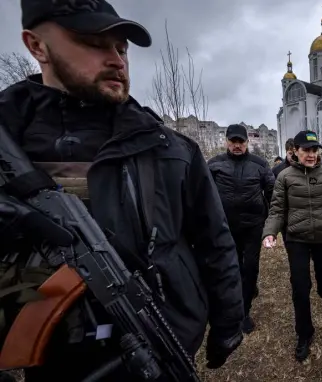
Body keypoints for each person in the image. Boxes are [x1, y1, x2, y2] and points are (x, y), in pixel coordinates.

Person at [0, 1, 244, 380]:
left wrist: (228, 323)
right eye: (93, 42)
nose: (116, 59)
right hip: (58, 359)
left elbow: (215, 241)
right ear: (37, 46)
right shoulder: (10, 145)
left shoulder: (172, 149)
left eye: (122, 48)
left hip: (161, 340)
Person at [261, 130, 322, 362]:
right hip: (297, 239)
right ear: (295, 151)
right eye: (306, 150)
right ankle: (304, 333)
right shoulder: (284, 177)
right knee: (300, 286)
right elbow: (276, 210)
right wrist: (270, 231)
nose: (312, 155)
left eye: (315, 150)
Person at [208, 124, 275, 334]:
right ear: (226, 141)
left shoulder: (260, 164)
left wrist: (273, 220)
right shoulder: (214, 164)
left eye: (241, 142)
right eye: (233, 141)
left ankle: (244, 312)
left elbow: (272, 191)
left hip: (253, 226)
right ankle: (241, 295)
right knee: (234, 267)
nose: (237, 145)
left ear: (247, 143)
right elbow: (203, 192)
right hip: (227, 227)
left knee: (251, 266)